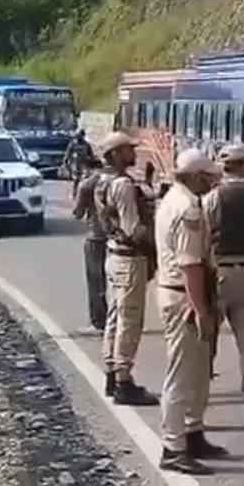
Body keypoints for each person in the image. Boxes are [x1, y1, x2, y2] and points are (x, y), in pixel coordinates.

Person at [155, 149, 229, 475]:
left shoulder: (177, 200)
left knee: (198, 372)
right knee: (182, 375)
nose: (213, 182)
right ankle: (173, 446)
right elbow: (191, 266)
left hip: (182, 292)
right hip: (184, 296)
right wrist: (199, 308)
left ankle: (192, 431)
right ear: (197, 177)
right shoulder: (188, 210)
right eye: (209, 177)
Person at [202, 145, 244, 427]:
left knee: (207, 340)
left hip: (218, 268)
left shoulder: (213, 198)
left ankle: (200, 401)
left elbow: (204, 234)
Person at [95, 132, 160, 406]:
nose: (132, 153)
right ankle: (124, 379)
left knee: (115, 315)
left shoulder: (102, 181)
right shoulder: (122, 184)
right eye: (127, 150)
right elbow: (133, 228)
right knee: (129, 320)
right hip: (129, 258)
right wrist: (155, 238)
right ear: (116, 154)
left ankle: (112, 371)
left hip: (114, 255)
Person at [71, 157, 109, 331]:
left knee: (96, 281)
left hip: (95, 237)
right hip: (115, 237)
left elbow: (78, 213)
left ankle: (99, 321)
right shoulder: (114, 181)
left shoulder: (86, 184)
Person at [64, 129, 95, 198]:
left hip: (84, 165)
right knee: (76, 180)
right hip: (75, 164)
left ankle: (83, 195)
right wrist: (66, 162)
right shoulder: (73, 144)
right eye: (78, 136)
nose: (79, 137)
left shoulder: (86, 145)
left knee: (84, 180)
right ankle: (74, 193)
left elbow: (91, 155)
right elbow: (68, 154)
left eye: (80, 136)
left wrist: (91, 161)